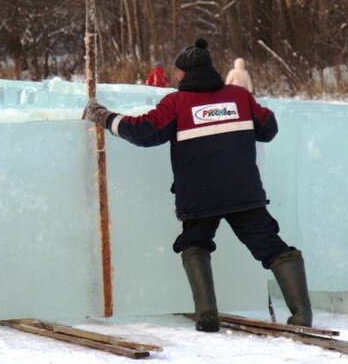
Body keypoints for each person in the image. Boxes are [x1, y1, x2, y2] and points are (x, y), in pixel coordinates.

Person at [85, 38, 311, 332]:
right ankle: (302, 315)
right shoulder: (239, 97)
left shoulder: (176, 104)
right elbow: (268, 129)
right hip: (244, 193)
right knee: (271, 245)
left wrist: (105, 117)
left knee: (195, 243)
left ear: (185, 73)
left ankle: (206, 314)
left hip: (199, 197)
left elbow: (143, 132)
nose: (175, 76)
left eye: (177, 72)